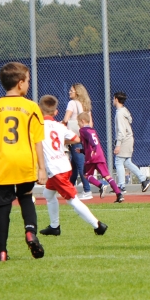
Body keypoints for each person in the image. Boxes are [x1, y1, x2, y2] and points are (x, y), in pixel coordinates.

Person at [0, 62, 47, 262]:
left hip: (2, 163)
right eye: (28, 81)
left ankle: (2, 251)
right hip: (25, 161)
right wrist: (42, 168)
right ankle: (30, 232)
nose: (28, 84)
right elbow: (38, 141)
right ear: (20, 83)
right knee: (26, 198)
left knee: (3, 206)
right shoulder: (32, 107)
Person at [37, 95, 107, 237]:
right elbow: (76, 139)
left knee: (72, 199)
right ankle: (54, 226)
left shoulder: (38, 127)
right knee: (48, 194)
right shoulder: (59, 126)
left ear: (39, 110)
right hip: (63, 164)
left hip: (55, 169)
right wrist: (61, 142)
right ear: (56, 112)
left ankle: (98, 225)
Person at [77, 113, 125, 203]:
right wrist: (83, 151)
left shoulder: (83, 130)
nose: (78, 124)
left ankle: (101, 185)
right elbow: (90, 143)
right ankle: (119, 194)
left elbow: (91, 141)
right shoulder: (92, 130)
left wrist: (93, 148)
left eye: (78, 122)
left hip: (91, 157)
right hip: (99, 155)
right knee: (107, 176)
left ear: (82, 121)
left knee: (86, 175)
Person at [112, 91, 150, 193]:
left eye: (113, 99)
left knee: (118, 161)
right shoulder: (124, 111)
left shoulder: (120, 113)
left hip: (125, 140)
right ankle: (143, 180)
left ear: (116, 99)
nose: (113, 101)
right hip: (129, 139)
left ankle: (121, 186)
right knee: (127, 162)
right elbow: (129, 121)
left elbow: (121, 131)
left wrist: (118, 144)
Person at [64, 83, 93, 200]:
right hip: (83, 137)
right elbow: (90, 124)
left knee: (80, 165)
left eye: (71, 90)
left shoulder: (72, 103)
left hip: (74, 138)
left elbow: (66, 119)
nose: (69, 92)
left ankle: (87, 190)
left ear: (77, 92)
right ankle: (69, 189)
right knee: (75, 166)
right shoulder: (86, 106)